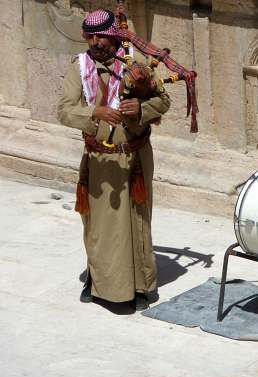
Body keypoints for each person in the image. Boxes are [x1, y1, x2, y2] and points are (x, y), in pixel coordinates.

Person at [57, 9, 171, 310]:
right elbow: (64, 110)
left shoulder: (137, 64)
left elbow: (163, 100)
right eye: (91, 36)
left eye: (102, 36)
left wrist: (142, 110)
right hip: (99, 161)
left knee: (137, 222)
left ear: (114, 35)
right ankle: (99, 281)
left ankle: (141, 286)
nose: (96, 42)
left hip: (134, 158)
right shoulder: (80, 68)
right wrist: (94, 112)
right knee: (99, 226)